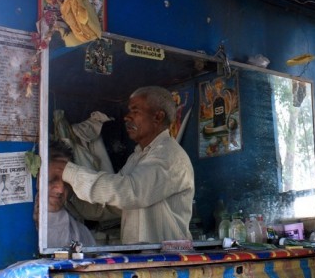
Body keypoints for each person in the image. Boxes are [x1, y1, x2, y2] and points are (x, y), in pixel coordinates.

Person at [58, 86, 195, 244]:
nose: (126, 117)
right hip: (144, 259)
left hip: (169, 259)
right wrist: (71, 196)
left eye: (135, 111)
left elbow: (129, 192)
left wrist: (67, 171)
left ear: (158, 116)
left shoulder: (170, 155)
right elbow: (111, 206)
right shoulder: (137, 157)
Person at [33, 140, 96, 248]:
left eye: (66, 183)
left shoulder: (81, 233)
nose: (61, 190)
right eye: (52, 179)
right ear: (37, 178)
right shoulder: (14, 226)